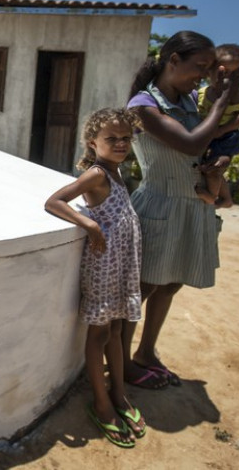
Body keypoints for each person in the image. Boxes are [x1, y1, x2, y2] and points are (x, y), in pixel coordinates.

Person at [123, 31, 239, 390]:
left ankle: (146, 353)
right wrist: (222, 103)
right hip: (159, 205)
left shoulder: (195, 100)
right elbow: (191, 143)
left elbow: (211, 145)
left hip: (192, 207)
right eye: (201, 67)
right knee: (142, 289)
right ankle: (125, 365)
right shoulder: (144, 106)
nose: (206, 76)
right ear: (173, 60)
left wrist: (224, 154)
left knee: (171, 284)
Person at [45, 107, 146, 448]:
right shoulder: (98, 175)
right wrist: (88, 224)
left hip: (121, 265)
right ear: (93, 143)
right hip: (103, 266)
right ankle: (102, 404)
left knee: (117, 329)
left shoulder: (117, 173)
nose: (120, 144)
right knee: (100, 332)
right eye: (111, 139)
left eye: (125, 138)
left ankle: (119, 394)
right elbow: (54, 201)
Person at [195, 43, 239, 207]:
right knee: (210, 171)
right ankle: (226, 199)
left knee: (213, 170)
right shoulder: (202, 93)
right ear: (209, 71)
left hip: (225, 138)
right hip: (206, 137)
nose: (228, 78)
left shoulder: (236, 95)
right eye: (224, 72)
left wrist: (222, 130)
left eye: (235, 74)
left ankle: (212, 196)